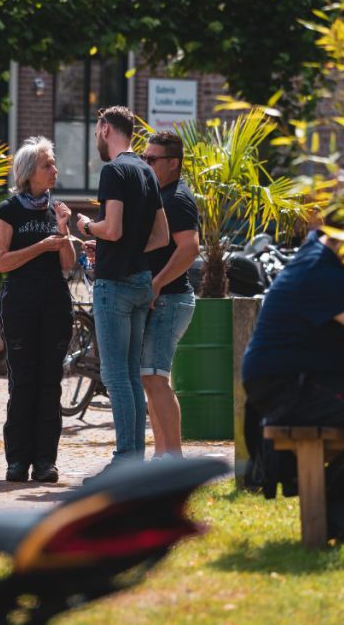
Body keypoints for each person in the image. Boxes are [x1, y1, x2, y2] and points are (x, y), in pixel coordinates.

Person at [241, 189, 344, 547]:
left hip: (323, 376)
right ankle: (335, 517)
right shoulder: (320, 268)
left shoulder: (340, 264)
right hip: (285, 382)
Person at [75, 106, 169, 471]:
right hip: (142, 282)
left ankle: (124, 461)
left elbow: (111, 228)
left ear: (103, 129)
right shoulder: (147, 171)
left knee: (115, 376)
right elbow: (160, 236)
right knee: (131, 375)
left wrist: (86, 226)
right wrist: (124, 247)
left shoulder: (113, 171)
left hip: (114, 286)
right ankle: (134, 461)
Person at [0, 136, 75, 483]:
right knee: (23, 382)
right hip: (20, 305)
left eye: (53, 164)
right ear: (29, 172)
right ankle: (17, 460)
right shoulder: (8, 210)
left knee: (50, 384)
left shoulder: (58, 210)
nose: (54, 170)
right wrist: (41, 246)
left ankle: (45, 461)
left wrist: (63, 230)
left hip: (55, 302)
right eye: (48, 165)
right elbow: (0, 262)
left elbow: (68, 265)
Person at [140, 131, 200, 457]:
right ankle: (162, 456)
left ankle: (172, 459)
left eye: (152, 159)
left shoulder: (176, 197)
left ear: (172, 163)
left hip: (171, 299)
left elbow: (190, 247)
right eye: (143, 158)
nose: (146, 164)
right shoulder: (162, 194)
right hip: (164, 299)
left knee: (155, 379)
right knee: (152, 379)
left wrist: (158, 282)